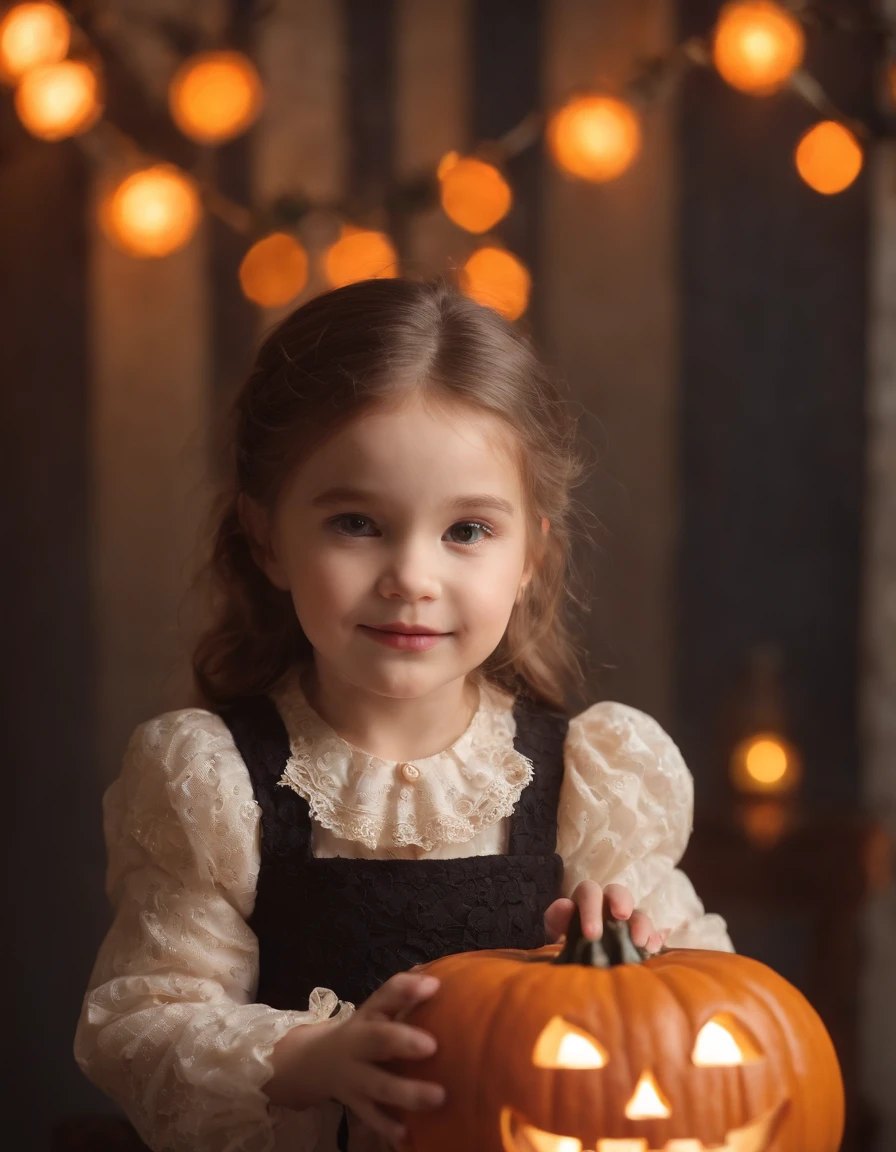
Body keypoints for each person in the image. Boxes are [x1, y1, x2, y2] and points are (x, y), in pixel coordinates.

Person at [74, 277, 733, 1152]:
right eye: (357, 522)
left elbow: (708, 1028)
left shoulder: (591, 778)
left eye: (467, 531)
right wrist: (314, 1058)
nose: (412, 577)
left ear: (532, 552)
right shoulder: (213, 780)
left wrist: (630, 962)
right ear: (268, 537)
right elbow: (144, 1026)